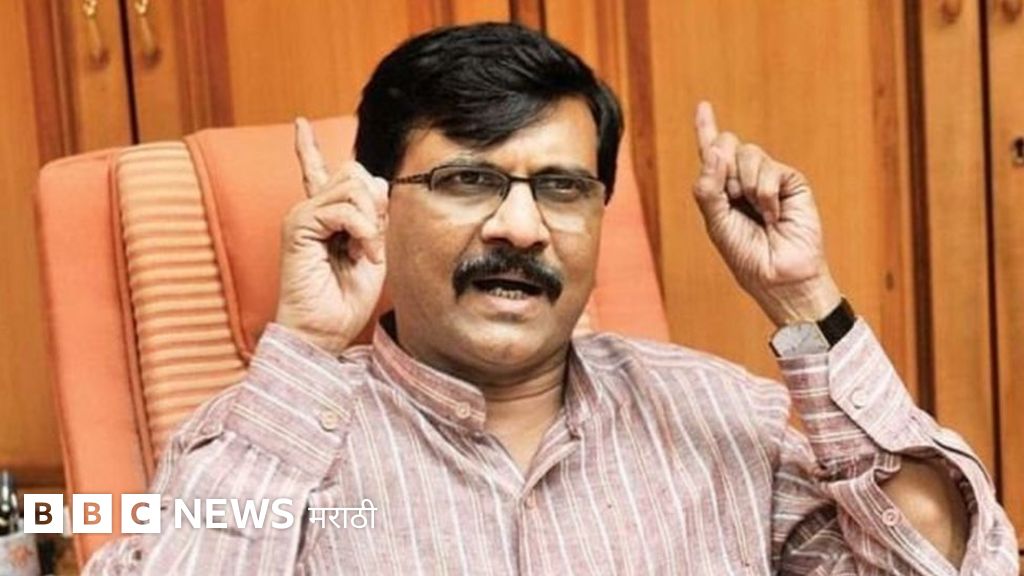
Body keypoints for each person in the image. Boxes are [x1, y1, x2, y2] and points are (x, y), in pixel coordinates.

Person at [83, 22, 1018, 575]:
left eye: (563, 188)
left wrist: (802, 297)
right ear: (373, 203)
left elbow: (942, 559)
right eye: (467, 180)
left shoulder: (724, 420)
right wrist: (304, 351)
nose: (522, 228)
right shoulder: (264, 446)